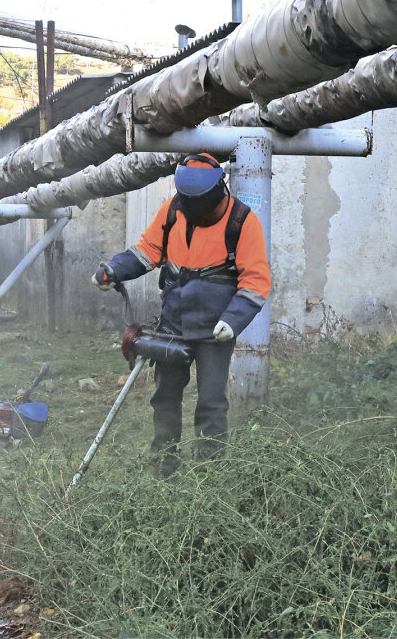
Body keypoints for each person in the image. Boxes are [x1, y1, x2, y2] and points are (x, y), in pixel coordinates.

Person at [92, 152, 271, 476]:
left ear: (218, 191)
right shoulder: (173, 210)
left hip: (215, 328)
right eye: (186, 200)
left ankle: (209, 472)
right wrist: (114, 270)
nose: (192, 207)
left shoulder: (242, 221)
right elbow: (147, 251)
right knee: (165, 396)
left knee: (211, 402)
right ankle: (164, 464)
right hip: (173, 321)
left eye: (198, 201)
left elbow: (256, 281)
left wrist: (233, 321)